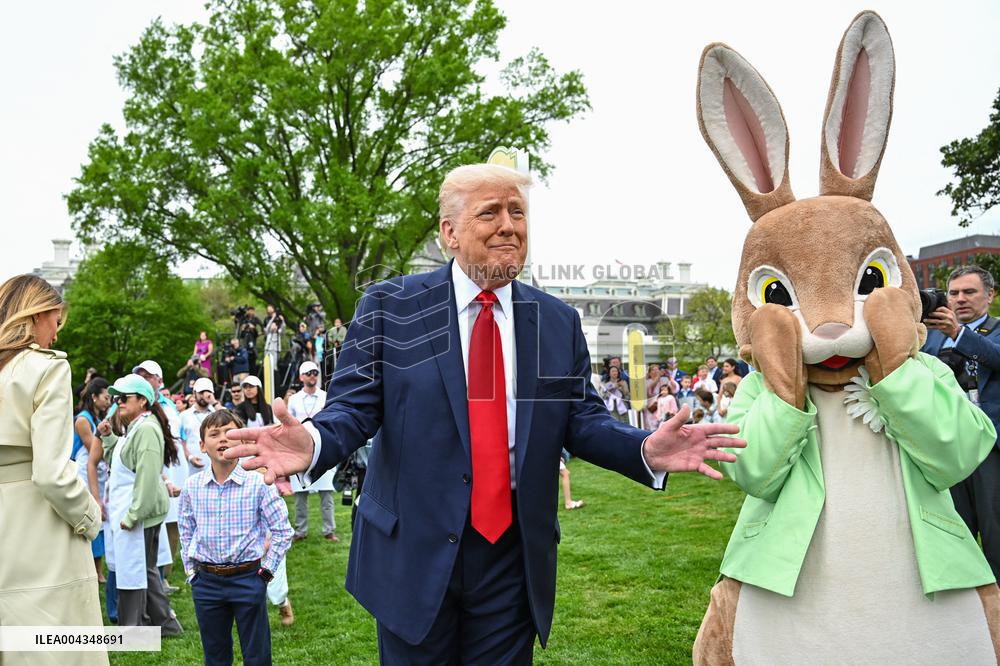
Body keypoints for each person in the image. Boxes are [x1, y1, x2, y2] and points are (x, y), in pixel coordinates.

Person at [222, 163, 745, 662]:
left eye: (518, 213)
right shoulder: (391, 305)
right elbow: (354, 408)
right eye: (490, 213)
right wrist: (312, 443)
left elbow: (582, 420)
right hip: (414, 551)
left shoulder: (557, 322)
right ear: (449, 233)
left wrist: (643, 448)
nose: (509, 227)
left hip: (512, 559)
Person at [0, 274, 107, 664]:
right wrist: (89, 517)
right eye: (56, 323)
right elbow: (50, 472)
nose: (56, 336)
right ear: (40, 313)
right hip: (40, 531)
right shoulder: (45, 368)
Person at [179, 409, 292, 666]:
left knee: (257, 654)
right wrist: (191, 572)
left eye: (230, 433)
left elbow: (283, 530)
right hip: (206, 582)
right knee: (215, 655)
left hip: (248, 579)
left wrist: (266, 572)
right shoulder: (192, 487)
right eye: (214, 434)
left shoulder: (258, 483)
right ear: (202, 445)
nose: (223, 439)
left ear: (243, 441)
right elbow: (186, 529)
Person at [922, 265, 1000, 577]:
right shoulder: (929, 338)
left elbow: (995, 357)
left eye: (970, 292)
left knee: (995, 527)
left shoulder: (994, 329)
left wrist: (959, 334)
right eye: (954, 293)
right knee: (955, 528)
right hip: (946, 444)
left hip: (990, 445)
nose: (960, 299)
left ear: (989, 295)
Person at [100, 374, 184, 634]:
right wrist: (109, 438)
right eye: (116, 398)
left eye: (124, 398)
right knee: (144, 569)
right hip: (134, 511)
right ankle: (157, 624)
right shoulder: (137, 425)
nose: (118, 402)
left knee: (141, 569)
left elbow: (147, 478)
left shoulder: (146, 428)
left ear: (143, 401)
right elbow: (123, 461)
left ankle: (146, 625)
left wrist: (133, 515)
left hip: (139, 513)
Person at [286, 361, 337, 543]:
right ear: (301, 377)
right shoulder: (293, 400)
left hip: (323, 446)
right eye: (308, 373)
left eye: (315, 372)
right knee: (300, 494)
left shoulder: (326, 396)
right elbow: (287, 424)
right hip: (299, 449)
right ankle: (300, 531)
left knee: (326, 493)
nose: (313, 376)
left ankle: (329, 530)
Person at [74, 377, 112, 582]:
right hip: (84, 474)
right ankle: (92, 571)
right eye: (105, 397)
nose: (108, 401)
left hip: (97, 474)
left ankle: (98, 570)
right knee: (91, 519)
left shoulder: (97, 419)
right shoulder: (83, 420)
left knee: (100, 521)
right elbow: (93, 449)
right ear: (94, 397)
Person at [263, 304, 286, 375]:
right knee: (266, 364)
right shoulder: (269, 333)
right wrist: (272, 319)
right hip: (268, 348)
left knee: (274, 366)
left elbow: (283, 330)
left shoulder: (278, 333)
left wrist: (283, 321)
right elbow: (266, 330)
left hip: (275, 348)